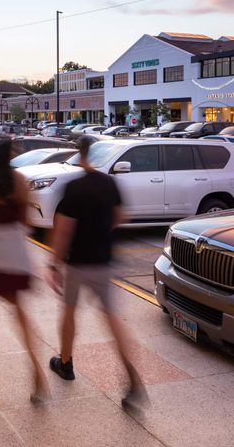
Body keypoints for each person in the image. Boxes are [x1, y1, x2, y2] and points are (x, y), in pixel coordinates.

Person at [46, 135, 146, 410]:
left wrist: (54, 264)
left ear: (82, 156)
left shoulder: (74, 186)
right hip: (104, 261)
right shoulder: (110, 182)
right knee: (113, 320)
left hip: (78, 263)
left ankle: (65, 362)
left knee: (68, 312)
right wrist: (101, 233)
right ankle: (132, 378)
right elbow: (120, 217)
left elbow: (64, 229)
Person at [0, 138, 49, 403]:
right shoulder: (20, 182)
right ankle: (37, 369)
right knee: (20, 314)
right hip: (16, 254)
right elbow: (26, 221)